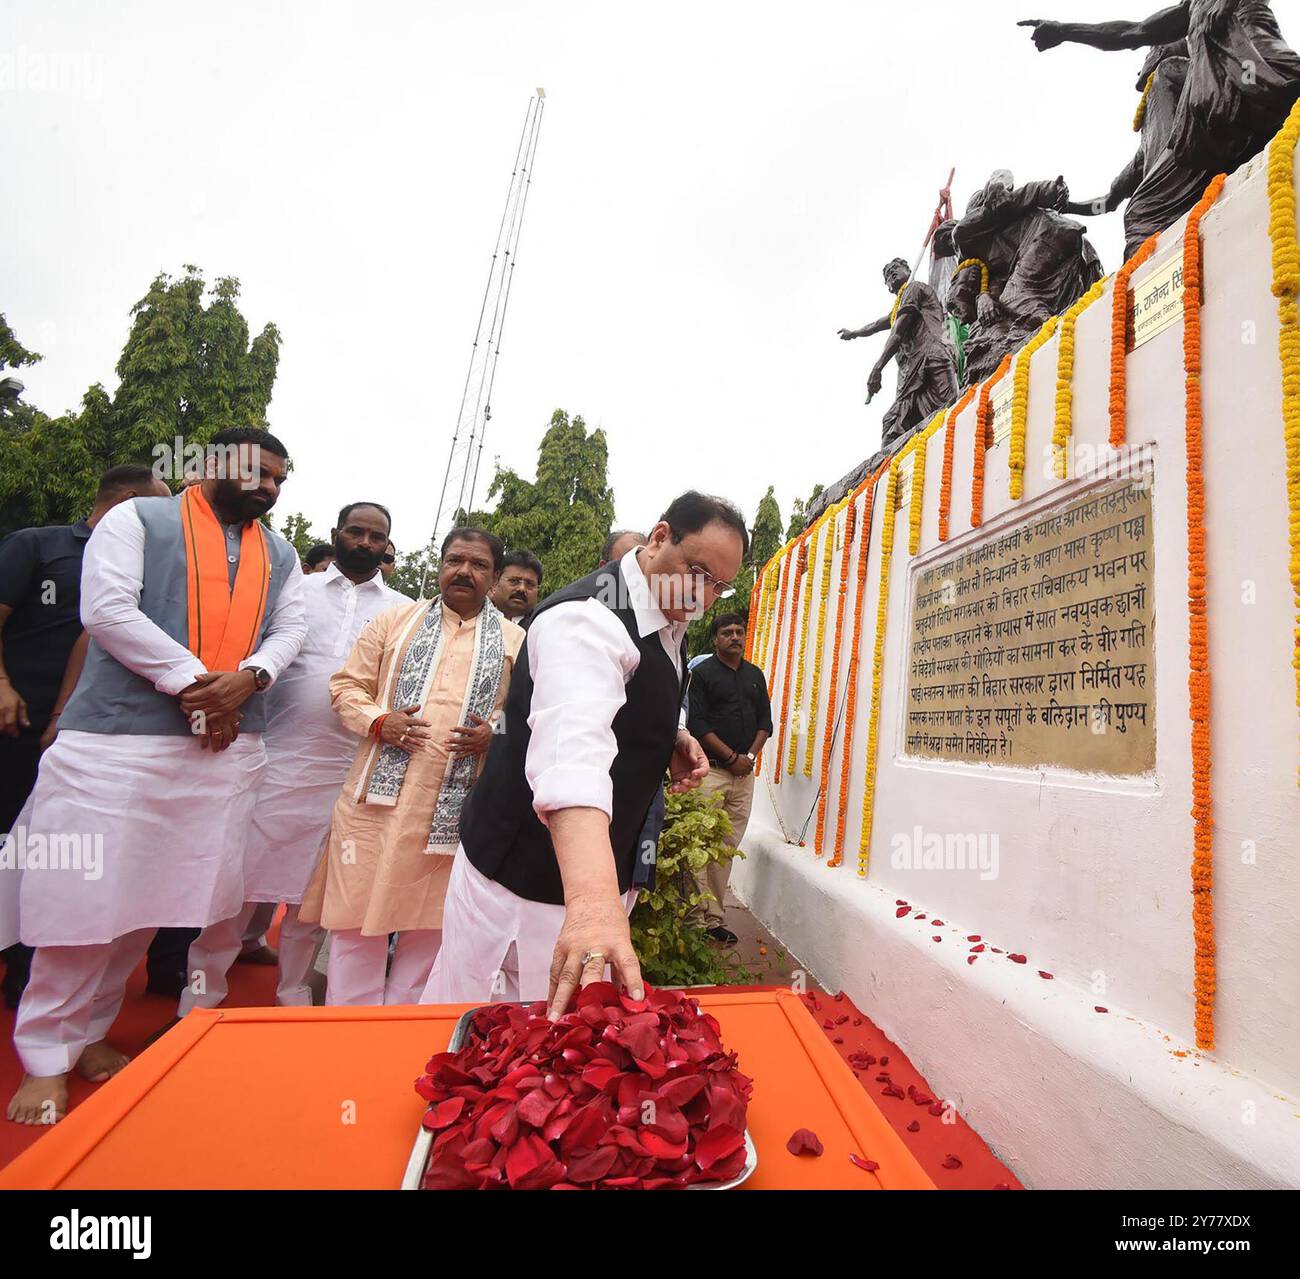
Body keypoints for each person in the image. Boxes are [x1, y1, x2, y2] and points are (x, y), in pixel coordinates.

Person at [6, 427, 306, 1125]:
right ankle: (43, 1054)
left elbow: (290, 631)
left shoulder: (281, 553)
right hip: (114, 748)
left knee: (146, 907)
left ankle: (88, 1035)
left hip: (219, 757)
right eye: (257, 471)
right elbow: (107, 611)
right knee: (83, 904)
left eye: (279, 478)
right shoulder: (136, 519)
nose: (268, 486)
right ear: (209, 464)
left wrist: (252, 678)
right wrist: (201, 684)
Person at [422, 492, 746, 1018]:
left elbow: (628, 695)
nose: (703, 596)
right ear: (659, 537)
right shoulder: (585, 620)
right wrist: (594, 905)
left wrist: (671, 735)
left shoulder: (666, 608)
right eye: (697, 571)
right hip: (527, 886)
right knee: (497, 1035)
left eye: (719, 585)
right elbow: (572, 756)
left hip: (596, 877)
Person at [178, 502, 405, 1016]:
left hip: (346, 771)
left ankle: (293, 999)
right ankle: (199, 998)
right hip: (273, 759)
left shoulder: (401, 610)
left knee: (313, 898)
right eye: (356, 531)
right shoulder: (294, 589)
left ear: (388, 545)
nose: (366, 542)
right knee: (232, 890)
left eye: (377, 536)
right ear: (336, 534)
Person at [298, 527, 524, 1006]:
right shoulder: (393, 622)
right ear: (439, 565)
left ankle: (400, 1031)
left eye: (478, 564)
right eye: (454, 560)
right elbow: (345, 688)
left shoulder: (516, 641)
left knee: (431, 927)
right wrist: (380, 721)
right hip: (373, 806)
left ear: (496, 576)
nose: (463, 571)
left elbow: (526, 715)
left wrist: (493, 734)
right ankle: (347, 1029)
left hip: (456, 810)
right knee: (355, 923)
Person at [0, 465, 171, 1007]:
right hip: (11, 723)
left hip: (82, 732)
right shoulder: (38, 545)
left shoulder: (149, 563)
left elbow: (94, 638)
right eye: (154, 507)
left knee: (56, 859)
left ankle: (28, 976)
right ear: (124, 502)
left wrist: (63, 717)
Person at [685, 612, 773, 945]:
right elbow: (698, 723)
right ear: (715, 639)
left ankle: (714, 919)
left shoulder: (754, 675)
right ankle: (694, 920)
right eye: (727, 633)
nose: (734, 637)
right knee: (698, 847)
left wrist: (748, 757)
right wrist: (731, 757)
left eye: (739, 632)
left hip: (743, 777)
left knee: (725, 849)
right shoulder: (702, 674)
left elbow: (765, 722)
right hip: (712, 773)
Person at [838, 258, 958, 451]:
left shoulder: (914, 288)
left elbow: (898, 331)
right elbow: (878, 324)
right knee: (894, 424)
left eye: (895, 269)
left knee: (948, 410)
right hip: (910, 371)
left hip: (931, 358)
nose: (892, 274)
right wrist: (855, 333)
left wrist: (877, 368)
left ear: (907, 270)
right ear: (887, 287)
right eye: (887, 275)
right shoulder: (899, 306)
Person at [490, 549, 543, 622]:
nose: (522, 588)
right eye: (514, 581)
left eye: (530, 584)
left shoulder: (542, 627)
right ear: (495, 583)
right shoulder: (474, 619)